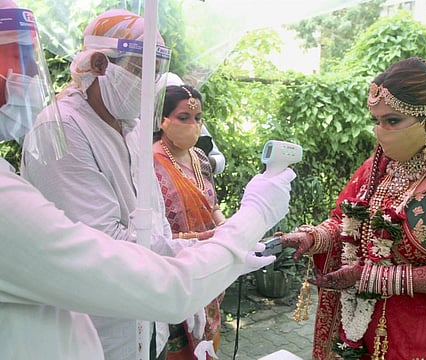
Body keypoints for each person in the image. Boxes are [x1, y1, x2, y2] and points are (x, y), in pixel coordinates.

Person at [0, 2, 295, 359]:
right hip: (103, 328)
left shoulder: (134, 128)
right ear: (98, 65)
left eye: (158, 71)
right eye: (141, 69)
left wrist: (202, 256)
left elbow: (152, 227)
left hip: (147, 322)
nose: (150, 83)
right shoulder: (59, 130)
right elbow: (109, 245)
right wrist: (243, 226)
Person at [280, 57, 426, 359]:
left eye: (392, 120)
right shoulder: (377, 168)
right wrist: (315, 238)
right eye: (376, 120)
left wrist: (367, 277)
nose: (380, 130)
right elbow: (346, 223)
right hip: (365, 328)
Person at [152, 84, 226, 359]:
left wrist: (230, 229)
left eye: (198, 118)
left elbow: (212, 207)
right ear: (162, 120)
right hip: (172, 269)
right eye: (183, 118)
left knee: (207, 345)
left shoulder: (200, 158)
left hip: (208, 268)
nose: (193, 125)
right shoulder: (149, 162)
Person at [160, 72, 226, 175]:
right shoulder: (152, 152)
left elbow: (219, 160)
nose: (191, 124)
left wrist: (199, 163)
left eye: (197, 117)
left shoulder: (195, 127)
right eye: (182, 118)